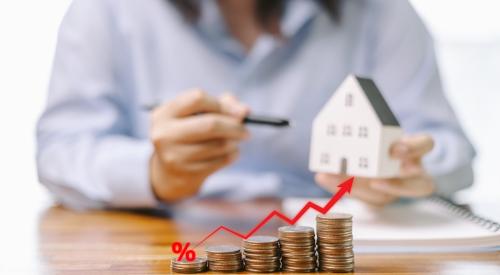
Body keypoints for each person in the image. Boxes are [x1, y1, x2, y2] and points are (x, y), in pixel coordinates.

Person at [37, 0, 475, 210]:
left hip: (343, 242)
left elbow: (451, 153)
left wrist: (408, 168)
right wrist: (154, 172)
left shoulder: (383, 14)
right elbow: (61, 151)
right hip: (162, 241)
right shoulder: (106, 11)